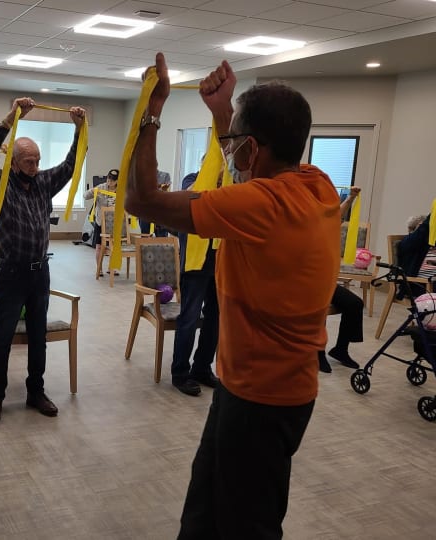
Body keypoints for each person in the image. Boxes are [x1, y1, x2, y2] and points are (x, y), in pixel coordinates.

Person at [125, 53, 341, 538]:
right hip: (263, 391)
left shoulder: (261, 206)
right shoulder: (317, 186)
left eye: (235, 139)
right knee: (204, 513)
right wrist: (224, 114)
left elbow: (140, 200)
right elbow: (246, 170)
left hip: (261, 403)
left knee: (248, 527)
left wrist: (152, 110)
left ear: (251, 149)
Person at [0, 96, 86, 425]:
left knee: (38, 336)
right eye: (27, 160)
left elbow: (70, 165)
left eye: (37, 160)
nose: (34, 166)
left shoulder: (42, 183)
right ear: (12, 160)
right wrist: (12, 116)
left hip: (41, 273)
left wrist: (79, 129)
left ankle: (35, 392)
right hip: (11, 274)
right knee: (5, 336)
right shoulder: (0, 182)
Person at [171, 171, 219, 396]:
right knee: (189, 318)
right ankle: (180, 373)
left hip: (220, 264)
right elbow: (193, 197)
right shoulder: (192, 179)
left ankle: (202, 368)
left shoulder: (232, 185)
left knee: (215, 319)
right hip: (194, 265)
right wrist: (216, 174)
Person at [319, 186, 364, 373]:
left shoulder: (323, 220)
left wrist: (351, 198)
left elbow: (337, 215)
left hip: (324, 281)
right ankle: (317, 352)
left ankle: (340, 349)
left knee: (355, 303)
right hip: (303, 283)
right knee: (318, 307)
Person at [84, 168, 118, 276]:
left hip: (114, 223)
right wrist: (92, 191)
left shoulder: (121, 190)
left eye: (113, 180)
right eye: (108, 179)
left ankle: (111, 268)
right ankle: (99, 268)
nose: (110, 181)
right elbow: (85, 196)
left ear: (117, 181)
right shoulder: (101, 187)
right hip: (100, 221)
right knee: (99, 246)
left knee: (113, 246)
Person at [138, 170, 171, 237]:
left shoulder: (165, 175)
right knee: (144, 236)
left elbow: (167, 193)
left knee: (161, 237)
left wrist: (164, 190)